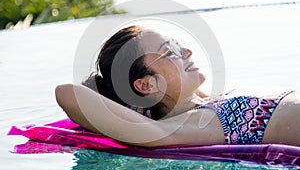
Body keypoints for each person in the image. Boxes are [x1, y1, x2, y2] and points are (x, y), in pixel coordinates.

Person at [55, 25, 300, 147]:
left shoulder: (207, 102)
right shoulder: (178, 128)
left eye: (177, 43)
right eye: (169, 51)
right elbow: (67, 92)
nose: (187, 51)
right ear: (146, 85)